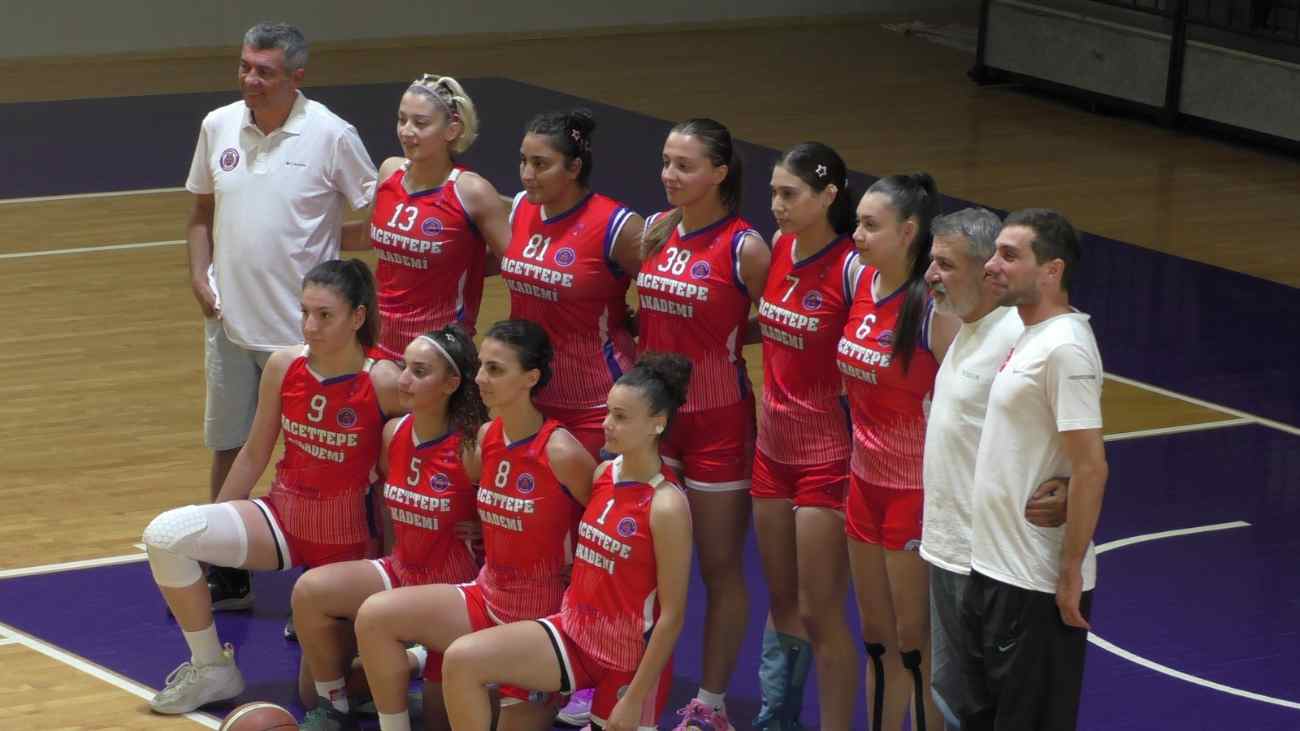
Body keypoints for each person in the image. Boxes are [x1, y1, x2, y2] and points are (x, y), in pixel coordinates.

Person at [142, 260, 400, 715]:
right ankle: (211, 668)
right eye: (304, 312)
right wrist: (214, 531)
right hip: (283, 519)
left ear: (358, 317)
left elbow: (399, 479)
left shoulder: (384, 381)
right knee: (167, 535)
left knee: (314, 697)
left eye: (324, 315)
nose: (309, 326)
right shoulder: (284, 365)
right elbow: (254, 454)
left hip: (351, 547)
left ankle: (409, 661)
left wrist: (398, 564)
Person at [185, 22, 378, 608]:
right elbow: (199, 212)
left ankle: (327, 580)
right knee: (229, 444)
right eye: (245, 66)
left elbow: (380, 216)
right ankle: (226, 565)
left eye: (264, 71)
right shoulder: (218, 124)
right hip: (231, 327)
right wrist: (199, 275)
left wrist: (326, 234)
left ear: (297, 76)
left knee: (320, 458)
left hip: (308, 340)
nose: (250, 79)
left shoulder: (332, 135)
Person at [355, 320, 596, 731]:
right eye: (481, 366)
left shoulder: (561, 451)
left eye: (496, 369)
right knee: (374, 615)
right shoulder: (485, 438)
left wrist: (584, 579)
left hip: (540, 617)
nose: (481, 378)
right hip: (486, 597)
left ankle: (562, 685)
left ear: (531, 379)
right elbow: (481, 504)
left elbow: (605, 525)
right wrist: (483, 531)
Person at [441, 353, 695, 731]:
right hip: (575, 635)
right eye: (608, 412)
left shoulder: (668, 505)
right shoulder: (605, 472)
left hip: (627, 663)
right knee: (462, 659)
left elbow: (672, 617)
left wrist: (635, 698)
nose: (607, 424)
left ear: (657, 424)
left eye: (622, 417)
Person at [637, 118, 770, 731]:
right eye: (666, 162)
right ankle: (629, 685)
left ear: (719, 172)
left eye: (684, 165)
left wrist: (719, 349)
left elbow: (777, 321)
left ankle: (711, 704)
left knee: (717, 568)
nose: (669, 175)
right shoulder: (656, 231)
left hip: (718, 425)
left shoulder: (746, 246)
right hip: (654, 425)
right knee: (642, 565)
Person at [292, 325, 488, 730]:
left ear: (452, 383)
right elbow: (386, 508)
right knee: (311, 593)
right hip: (402, 570)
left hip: (452, 590)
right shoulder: (393, 432)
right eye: (404, 367)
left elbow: (515, 517)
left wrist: (487, 532)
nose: (403, 380)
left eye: (420, 371)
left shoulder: (473, 449)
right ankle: (336, 709)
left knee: (438, 721)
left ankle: (416, 656)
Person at [959, 209, 1107, 731]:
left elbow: (1091, 465)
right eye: (995, 252)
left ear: (1052, 270)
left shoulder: (1065, 349)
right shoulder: (1029, 335)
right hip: (993, 571)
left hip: (1033, 583)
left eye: (1010, 255)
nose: (992, 265)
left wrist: (1068, 573)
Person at [919, 208, 1068, 729]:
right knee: (956, 699)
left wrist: (1070, 483)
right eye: (931, 262)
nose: (931, 275)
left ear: (986, 270)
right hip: (947, 548)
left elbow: (1072, 427)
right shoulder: (967, 329)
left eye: (944, 264)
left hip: (991, 565)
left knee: (995, 708)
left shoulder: (1019, 337)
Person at [836, 174, 959, 731]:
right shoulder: (860, 278)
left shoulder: (936, 310)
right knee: (877, 639)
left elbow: (969, 409)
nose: (857, 234)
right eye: (858, 222)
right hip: (863, 484)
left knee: (916, 644)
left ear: (908, 231)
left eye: (869, 225)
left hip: (915, 492)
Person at [751, 142, 861, 730]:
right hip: (772, 451)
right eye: (773, 192)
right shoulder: (779, 248)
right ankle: (778, 718)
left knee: (821, 614)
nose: (777, 205)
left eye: (790, 194)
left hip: (827, 457)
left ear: (827, 196)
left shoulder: (851, 267)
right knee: (782, 603)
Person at [501, 109, 643, 462]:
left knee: (593, 513)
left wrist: (635, 324)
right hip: (529, 397)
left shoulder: (617, 225)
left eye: (541, 164)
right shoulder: (520, 208)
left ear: (575, 167)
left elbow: (666, 295)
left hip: (596, 403)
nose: (527, 175)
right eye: (523, 161)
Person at [343, 74, 510, 359]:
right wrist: (299, 233)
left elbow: (513, 262)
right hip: (378, 341)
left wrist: (464, 264)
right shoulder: (389, 172)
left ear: (452, 129)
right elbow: (367, 235)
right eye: (402, 119)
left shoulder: (473, 192)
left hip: (440, 352)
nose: (407, 131)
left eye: (420, 123)